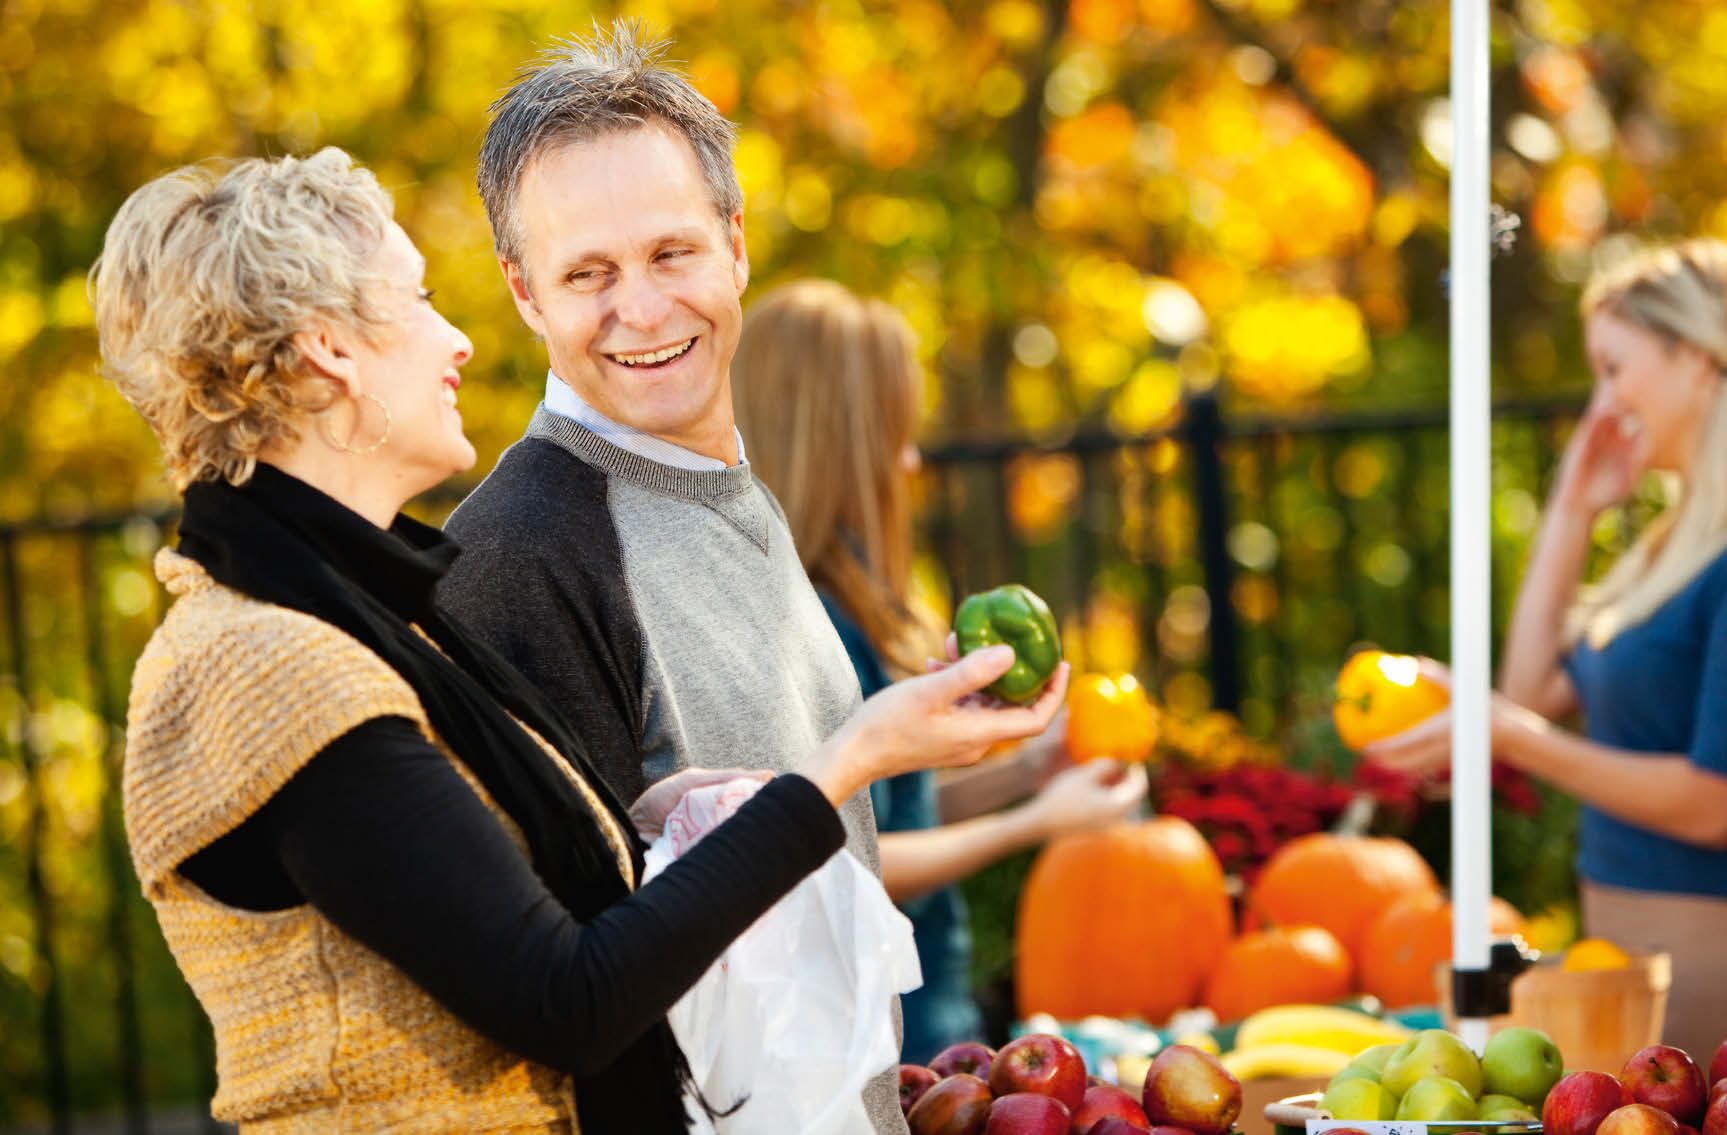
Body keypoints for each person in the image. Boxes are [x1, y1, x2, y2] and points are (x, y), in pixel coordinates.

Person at [94, 148, 1066, 1134]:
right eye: (420, 298)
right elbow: (568, 998)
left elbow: (473, 904)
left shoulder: (346, 612)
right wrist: (846, 764)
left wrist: (653, 815)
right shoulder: (265, 663)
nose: (457, 339)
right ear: (328, 352)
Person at [435, 27, 922, 1129]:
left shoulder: (735, 496)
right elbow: (579, 1004)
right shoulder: (517, 557)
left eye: (670, 254)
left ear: (736, 243)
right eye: (587, 274)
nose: (644, 311)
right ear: (521, 293)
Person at [730, 279, 1149, 1062]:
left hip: (931, 1025)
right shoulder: (801, 624)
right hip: (886, 1048)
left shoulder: (853, 598)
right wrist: (1036, 822)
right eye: (895, 434)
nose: (913, 460)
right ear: (838, 446)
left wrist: (1024, 771)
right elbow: (836, 857)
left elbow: (888, 812)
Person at [1364, 238, 1727, 1057]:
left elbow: (1713, 802)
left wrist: (1512, 735)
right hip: (1628, 977)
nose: (1602, 401)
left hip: (1708, 983)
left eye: (1612, 366)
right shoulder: (1664, 550)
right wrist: (1570, 509)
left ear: (1697, 357)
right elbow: (1527, 692)